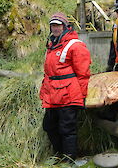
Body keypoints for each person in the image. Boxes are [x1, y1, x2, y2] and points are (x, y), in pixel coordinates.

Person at [39, 12, 91, 162]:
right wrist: (44, 92)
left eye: (58, 25)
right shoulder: (52, 45)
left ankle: (69, 159)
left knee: (67, 129)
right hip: (52, 93)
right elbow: (49, 73)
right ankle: (59, 154)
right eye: (53, 25)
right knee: (49, 126)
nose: (55, 28)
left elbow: (83, 74)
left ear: (65, 26)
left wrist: (81, 96)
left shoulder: (75, 45)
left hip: (68, 93)